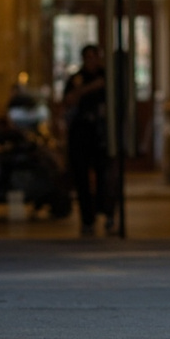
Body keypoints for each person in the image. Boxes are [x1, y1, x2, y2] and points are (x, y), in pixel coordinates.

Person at [63, 44, 114, 236]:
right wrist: (88, 88)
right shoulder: (77, 78)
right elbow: (68, 101)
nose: (92, 61)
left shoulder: (107, 77)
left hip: (101, 132)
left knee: (105, 175)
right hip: (81, 131)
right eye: (88, 57)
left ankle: (107, 212)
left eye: (95, 57)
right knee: (81, 177)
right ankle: (87, 219)